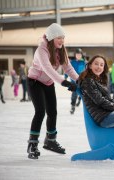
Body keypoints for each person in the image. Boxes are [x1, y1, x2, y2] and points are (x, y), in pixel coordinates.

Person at [26, 23, 79, 159]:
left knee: (52, 112)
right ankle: (32, 144)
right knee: (40, 111)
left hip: (48, 83)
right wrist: (64, 82)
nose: (61, 41)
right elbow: (47, 69)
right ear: (51, 38)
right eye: (58, 38)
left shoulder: (61, 50)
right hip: (35, 81)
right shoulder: (41, 50)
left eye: (63, 38)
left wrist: (79, 80)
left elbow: (68, 68)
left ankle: (50, 140)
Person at [65, 48, 86, 114]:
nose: (78, 56)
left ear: (81, 55)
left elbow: (87, 72)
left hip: (81, 81)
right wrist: (65, 77)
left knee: (81, 93)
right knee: (74, 94)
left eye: (79, 54)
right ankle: (73, 106)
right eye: (77, 54)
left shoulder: (84, 63)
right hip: (73, 81)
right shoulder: (72, 62)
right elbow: (68, 70)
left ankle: (79, 100)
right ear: (75, 55)